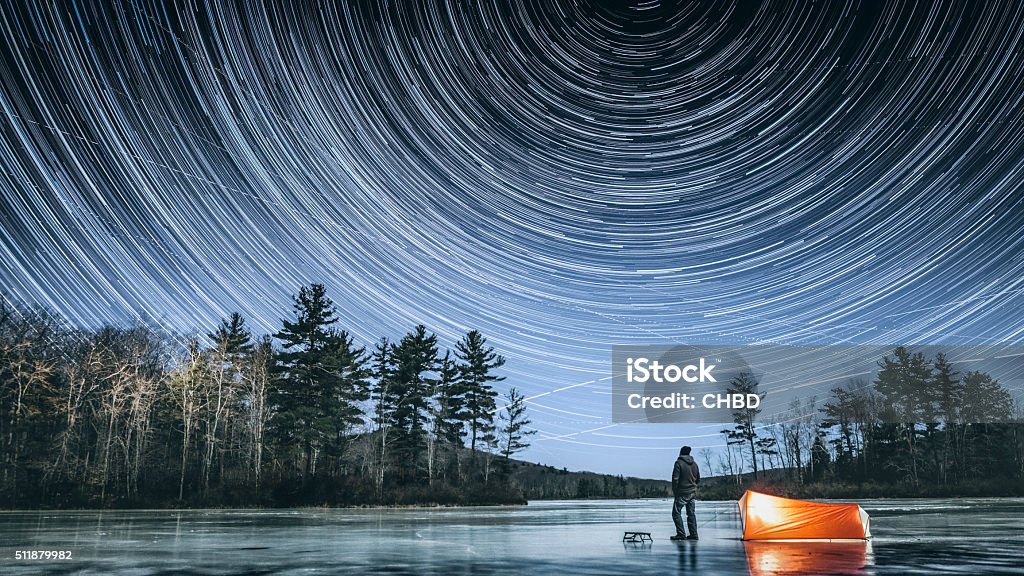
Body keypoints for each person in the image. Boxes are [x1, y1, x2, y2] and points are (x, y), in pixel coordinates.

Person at [670, 445, 700, 541]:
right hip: (692, 493)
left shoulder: (678, 463)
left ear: (681, 452)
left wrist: (675, 491)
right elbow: (698, 478)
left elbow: (675, 479)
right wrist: (693, 487)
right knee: (691, 514)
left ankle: (681, 534)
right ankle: (694, 534)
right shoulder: (695, 464)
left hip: (682, 492)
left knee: (676, 513)